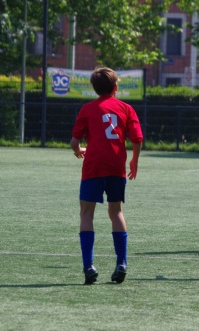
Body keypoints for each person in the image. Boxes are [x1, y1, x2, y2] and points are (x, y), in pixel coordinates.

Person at [70, 67, 143, 285]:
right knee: (116, 211)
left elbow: (74, 142)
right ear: (116, 87)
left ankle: (89, 266)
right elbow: (137, 139)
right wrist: (134, 161)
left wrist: (78, 150)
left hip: (93, 167)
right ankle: (122, 263)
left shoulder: (87, 109)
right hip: (115, 167)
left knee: (86, 213)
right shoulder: (126, 108)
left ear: (94, 89)